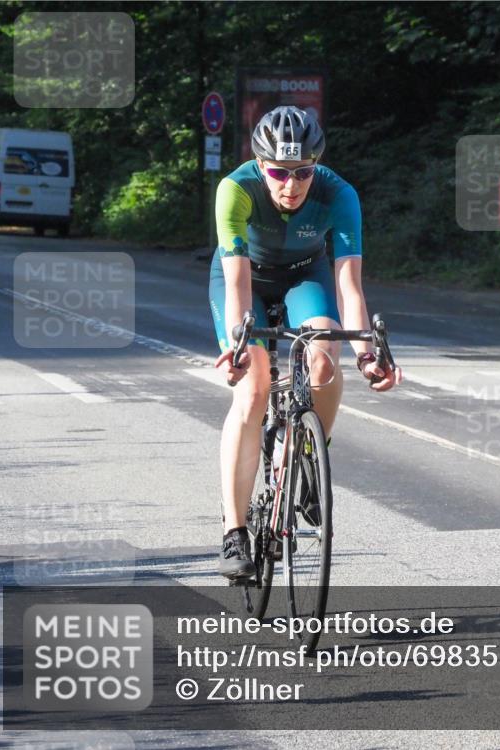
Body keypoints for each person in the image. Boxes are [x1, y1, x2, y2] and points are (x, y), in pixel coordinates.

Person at [208, 105, 400, 579]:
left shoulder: (339, 194)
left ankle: (310, 457)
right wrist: (238, 348)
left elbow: (349, 287)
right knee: (253, 390)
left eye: (303, 172)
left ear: (317, 166)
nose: (291, 185)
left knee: (326, 356)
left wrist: (367, 356)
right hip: (247, 277)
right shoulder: (235, 189)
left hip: (303, 276)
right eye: (279, 172)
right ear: (260, 165)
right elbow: (237, 286)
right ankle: (234, 533)